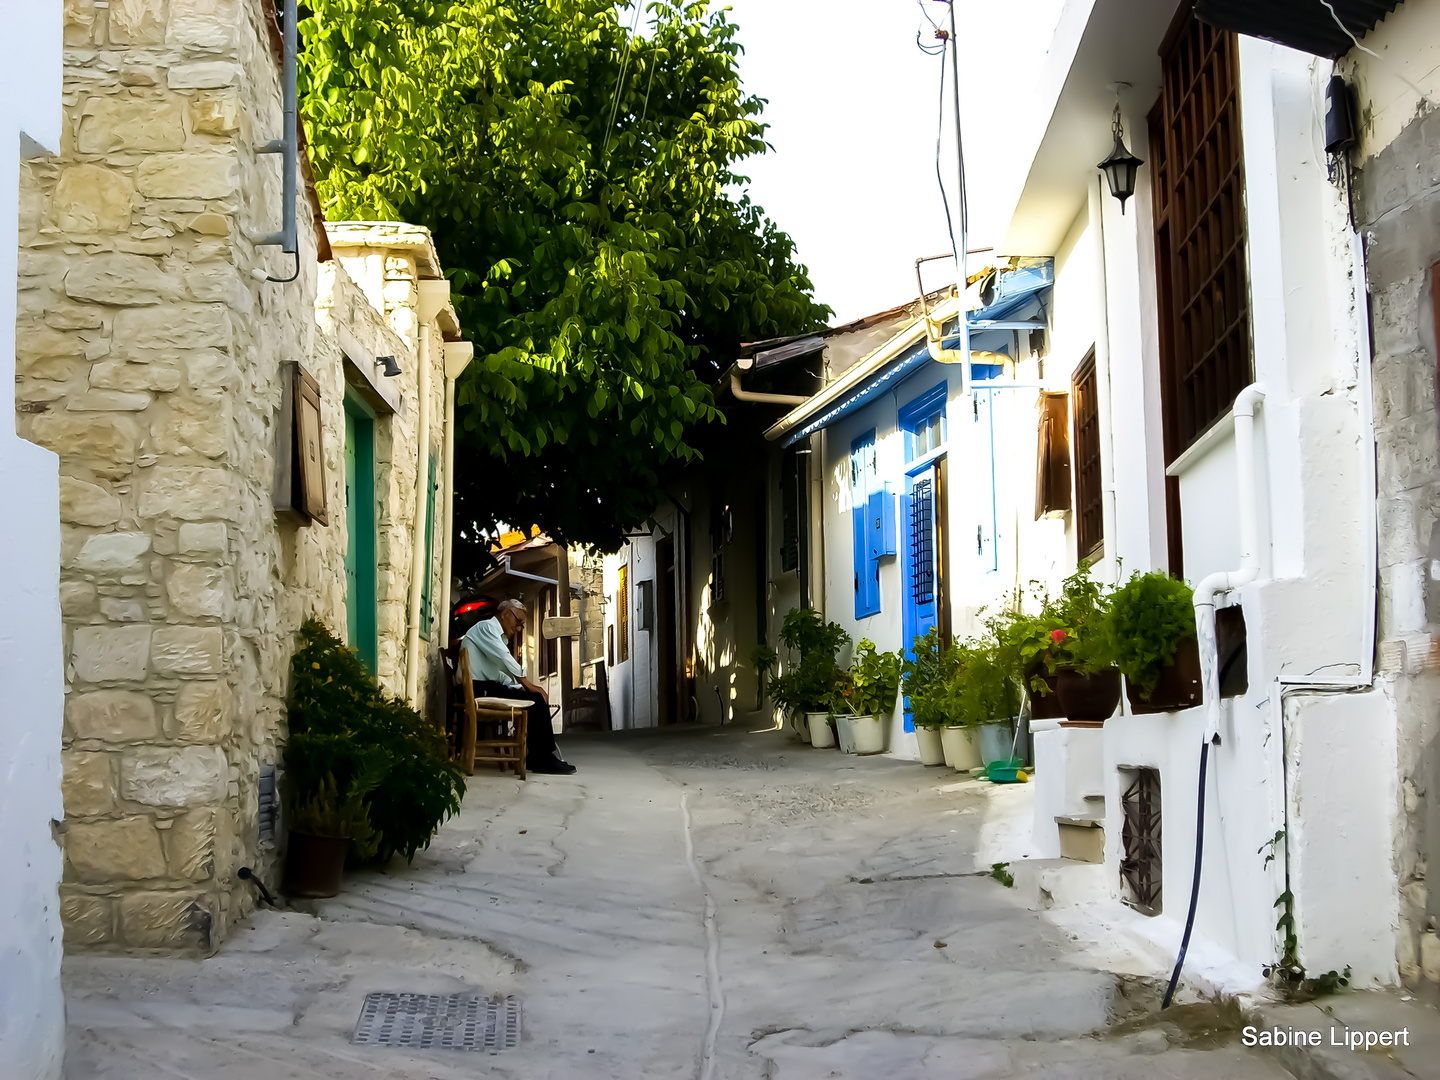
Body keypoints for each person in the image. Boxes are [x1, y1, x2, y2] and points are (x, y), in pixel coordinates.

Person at [459, 598, 576, 775]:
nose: (519, 628)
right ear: (505, 613)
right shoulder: (487, 628)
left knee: (531, 697)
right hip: (478, 689)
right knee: (536, 699)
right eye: (518, 621)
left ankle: (535, 756)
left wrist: (517, 686)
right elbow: (504, 659)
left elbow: (497, 672)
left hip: (484, 686)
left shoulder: (492, 634)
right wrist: (527, 684)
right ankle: (542, 758)